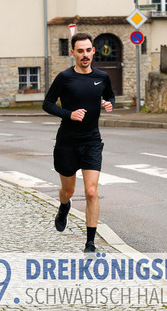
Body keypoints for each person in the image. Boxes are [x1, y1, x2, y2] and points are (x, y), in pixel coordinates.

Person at [42, 32, 115, 253]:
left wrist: (108, 103)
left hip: (92, 141)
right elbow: (47, 104)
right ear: (73, 53)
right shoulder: (65, 77)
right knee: (68, 191)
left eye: (88, 50)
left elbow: (110, 96)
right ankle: (64, 206)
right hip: (67, 142)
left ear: (93, 51)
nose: (85, 55)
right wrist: (69, 114)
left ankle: (90, 243)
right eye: (80, 51)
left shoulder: (102, 77)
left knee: (91, 191)